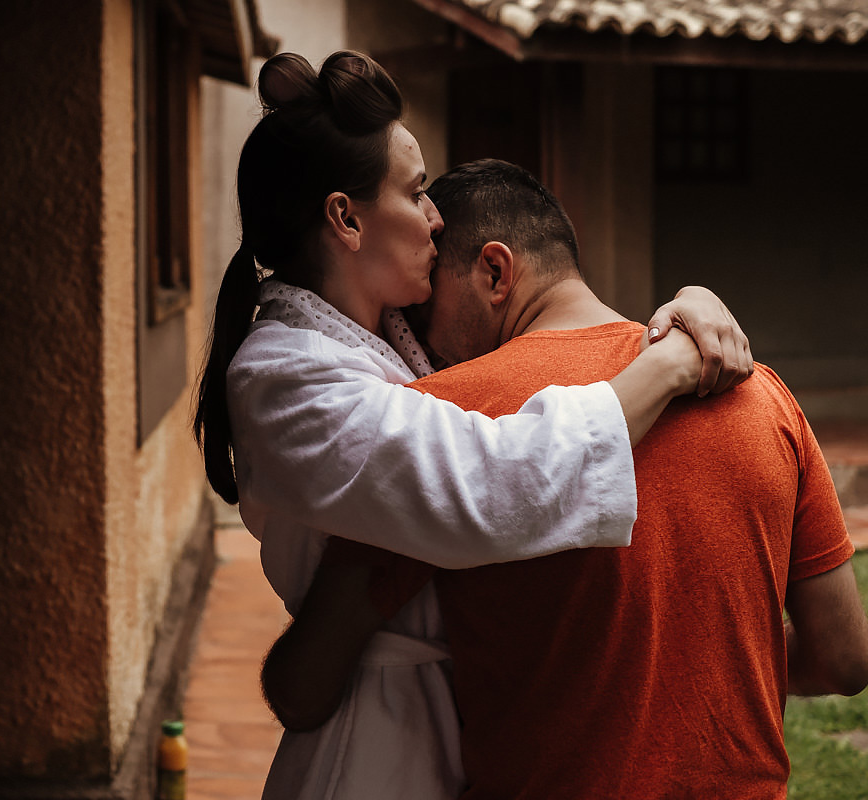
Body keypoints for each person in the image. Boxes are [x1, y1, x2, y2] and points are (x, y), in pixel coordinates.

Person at [194, 51, 752, 800]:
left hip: (477, 721)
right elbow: (490, 482)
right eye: (418, 191)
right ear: (346, 218)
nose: (435, 218)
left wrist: (693, 299)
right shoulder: (283, 376)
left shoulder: (395, 337)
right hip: (375, 749)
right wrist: (673, 364)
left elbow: (553, 340)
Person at [262, 159, 868, 799]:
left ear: (494, 273)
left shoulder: (443, 419)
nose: (417, 343)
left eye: (421, 309)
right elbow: (845, 658)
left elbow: (301, 686)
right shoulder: (758, 393)